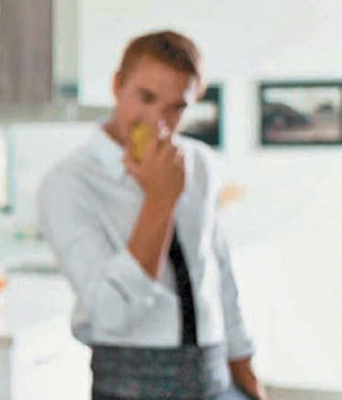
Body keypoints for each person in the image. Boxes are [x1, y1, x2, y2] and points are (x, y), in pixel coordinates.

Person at [38, 30, 266, 400]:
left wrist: (245, 371)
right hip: (131, 384)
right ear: (117, 85)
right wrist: (160, 201)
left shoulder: (200, 163)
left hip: (214, 379)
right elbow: (110, 313)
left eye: (177, 107)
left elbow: (219, 273)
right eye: (146, 98)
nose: (158, 121)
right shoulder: (69, 182)